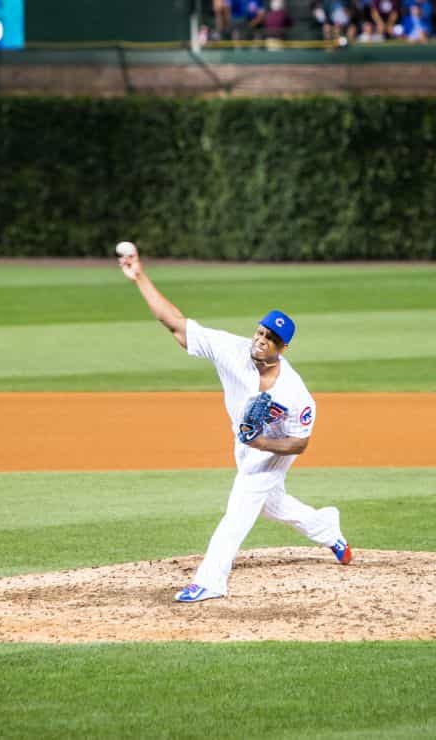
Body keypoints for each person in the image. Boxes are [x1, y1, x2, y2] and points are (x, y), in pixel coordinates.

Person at [117, 244, 352, 603]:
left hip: (271, 452)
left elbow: (299, 443)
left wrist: (261, 445)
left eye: (271, 339)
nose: (261, 341)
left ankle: (211, 581)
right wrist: (139, 278)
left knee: (240, 507)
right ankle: (328, 529)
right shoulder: (232, 350)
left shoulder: (295, 393)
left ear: (282, 348)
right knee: (273, 504)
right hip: (247, 446)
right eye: (260, 332)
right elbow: (175, 324)